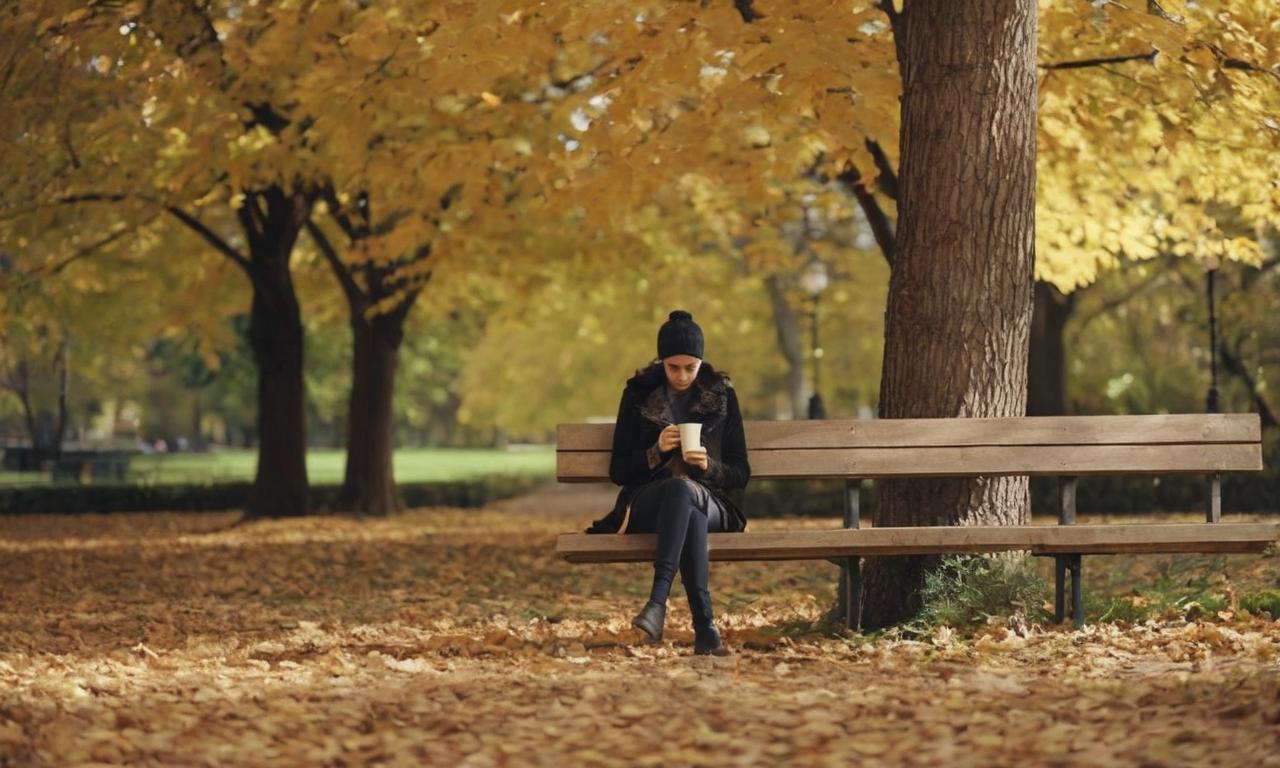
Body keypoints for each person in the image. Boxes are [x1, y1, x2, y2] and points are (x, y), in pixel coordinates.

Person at [586, 310, 750, 655]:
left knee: (688, 494)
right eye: (673, 367)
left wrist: (708, 466)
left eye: (690, 367)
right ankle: (705, 627)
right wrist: (655, 452)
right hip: (649, 502)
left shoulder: (721, 396)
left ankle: (657, 603)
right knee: (682, 498)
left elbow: (741, 472)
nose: (682, 375)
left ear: (701, 362)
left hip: (713, 501)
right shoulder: (637, 396)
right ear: (661, 362)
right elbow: (619, 471)